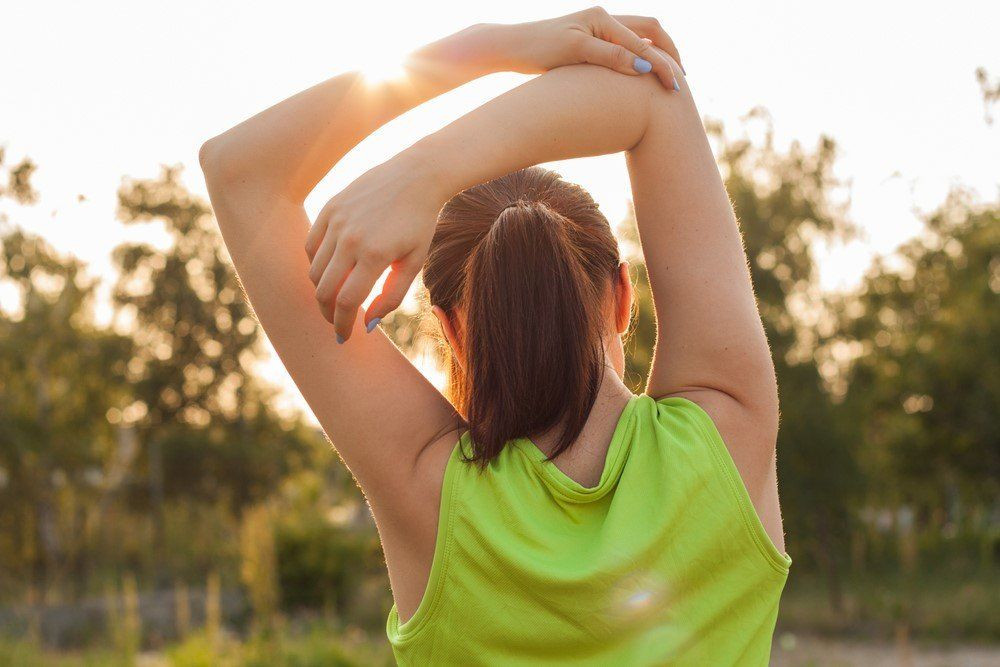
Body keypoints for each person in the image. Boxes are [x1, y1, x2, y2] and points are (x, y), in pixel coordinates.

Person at [200, 7, 789, 665]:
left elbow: (239, 171)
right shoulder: (727, 430)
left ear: (450, 328)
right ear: (621, 295)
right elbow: (653, 93)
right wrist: (427, 172)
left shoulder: (430, 494)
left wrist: (480, 47)